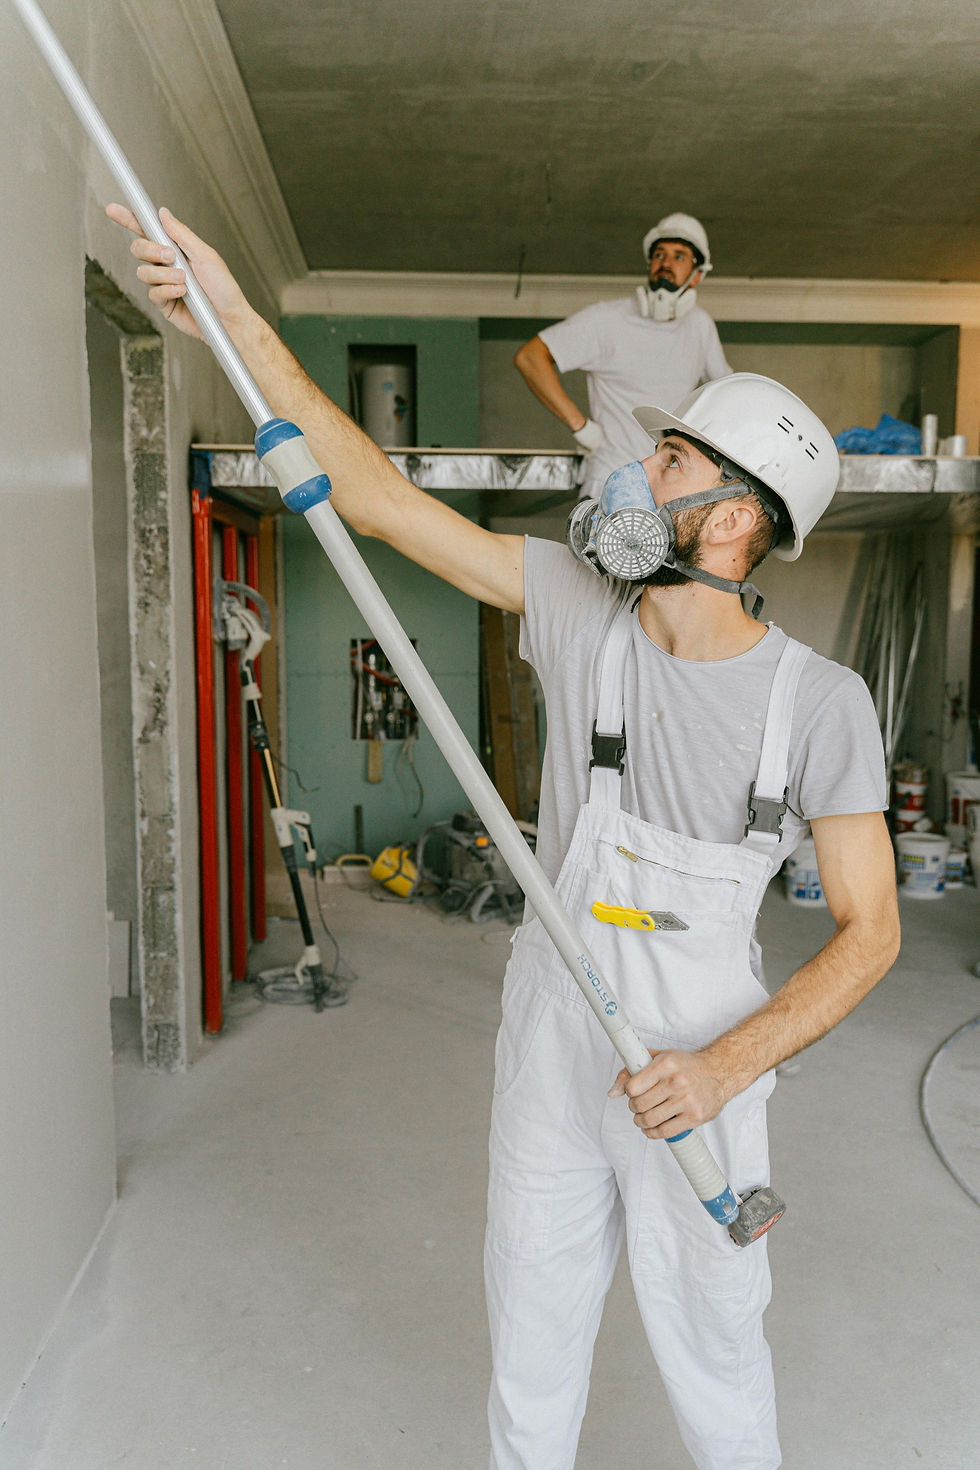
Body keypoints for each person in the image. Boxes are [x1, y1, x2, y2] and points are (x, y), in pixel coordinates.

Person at [109, 203, 901, 1470]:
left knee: (715, 1348)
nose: (636, 476)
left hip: (698, 1070)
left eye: (674, 467)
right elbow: (371, 496)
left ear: (739, 521)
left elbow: (870, 935)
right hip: (552, 1036)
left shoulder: (818, 703)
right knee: (530, 1337)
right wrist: (232, 311)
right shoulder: (575, 608)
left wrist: (722, 1068)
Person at [513, 212, 732, 499]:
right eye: (659, 255)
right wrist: (580, 426)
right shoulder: (607, 319)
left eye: (679, 256)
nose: (665, 264)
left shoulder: (699, 325)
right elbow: (530, 358)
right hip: (610, 481)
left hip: (669, 491)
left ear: (697, 274)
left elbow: (726, 392)